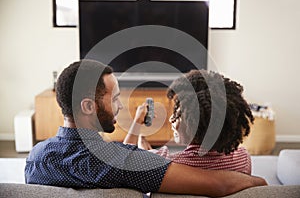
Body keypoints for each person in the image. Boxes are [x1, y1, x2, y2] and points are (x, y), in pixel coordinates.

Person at [25, 60, 266, 197]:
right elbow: (218, 184)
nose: (120, 107)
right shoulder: (128, 163)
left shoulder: (35, 158)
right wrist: (258, 183)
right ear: (88, 106)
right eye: (115, 98)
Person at [129, 70, 253, 175]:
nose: (171, 119)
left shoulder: (164, 161)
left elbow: (121, 162)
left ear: (193, 124)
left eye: (177, 114)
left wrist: (137, 124)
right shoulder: (243, 159)